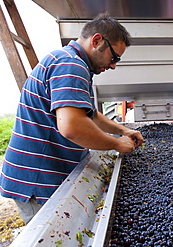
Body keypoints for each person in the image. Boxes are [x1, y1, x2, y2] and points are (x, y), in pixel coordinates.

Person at [0, 14, 144, 224]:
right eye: (114, 57)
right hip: (38, 179)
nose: (113, 66)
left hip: (42, 173)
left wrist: (123, 131)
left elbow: (89, 114)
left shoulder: (69, 61)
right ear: (97, 41)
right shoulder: (70, 65)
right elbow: (72, 127)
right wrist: (116, 144)